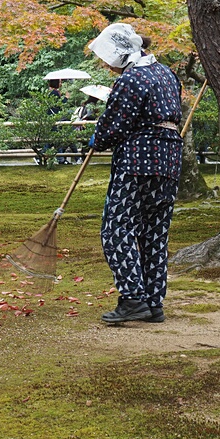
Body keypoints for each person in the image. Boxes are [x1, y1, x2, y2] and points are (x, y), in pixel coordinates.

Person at [86, 23, 183, 324]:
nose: (104, 65)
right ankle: (154, 303)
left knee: (116, 228)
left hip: (139, 160)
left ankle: (132, 299)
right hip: (169, 159)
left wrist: (97, 140)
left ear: (118, 54)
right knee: (154, 231)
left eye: (105, 58)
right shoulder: (166, 73)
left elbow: (115, 122)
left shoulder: (132, 78)